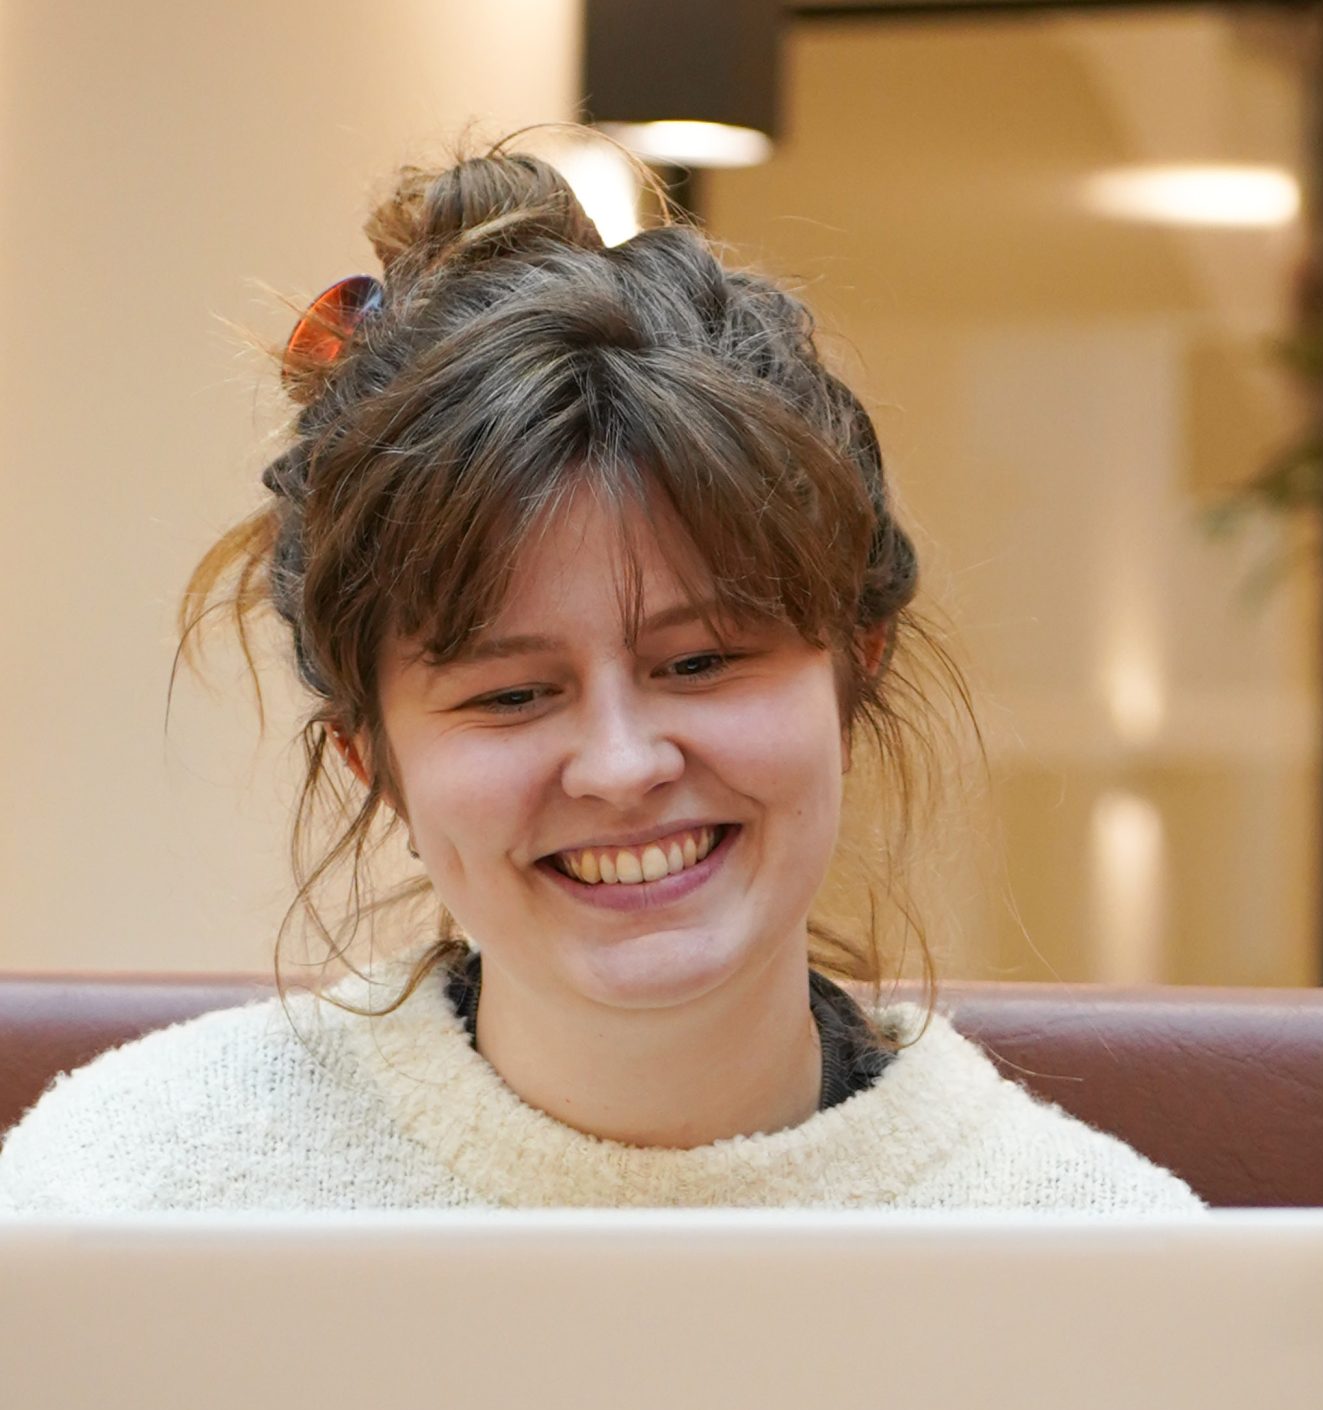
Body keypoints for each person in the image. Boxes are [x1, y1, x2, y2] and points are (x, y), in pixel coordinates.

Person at [0, 142, 1199, 1215]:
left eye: (700, 662)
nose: (624, 765)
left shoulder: (1097, 1248)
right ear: (376, 759)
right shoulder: (128, 1190)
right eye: (512, 694)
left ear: (856, 664)